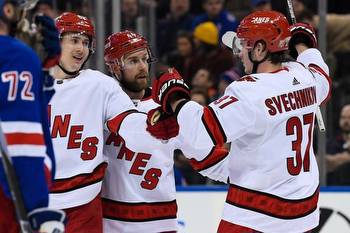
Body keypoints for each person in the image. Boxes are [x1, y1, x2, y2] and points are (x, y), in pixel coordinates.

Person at [147, 10, 331, 233]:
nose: (239, 53)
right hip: (303, 214)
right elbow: (322, 76)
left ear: (261, 49)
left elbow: (200, 131)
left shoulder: (249, 91)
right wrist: (303, 44)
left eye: (245, 45)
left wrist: (175, 96)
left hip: (255, 215)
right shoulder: (304, 77)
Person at [48, 12, 136, 233]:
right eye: (74, 41)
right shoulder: (31, 83)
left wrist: (157, 124)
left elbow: (131, 124)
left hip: (84, 201)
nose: (81, 49)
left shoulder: (100, 85)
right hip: (37, 199)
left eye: (85, 42)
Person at [102, 30, 179, 233]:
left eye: (145, 59)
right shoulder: (101, 105)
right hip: (111, 221)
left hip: (161, 221)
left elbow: (200, 148)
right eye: (133, 61)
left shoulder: (165, 106)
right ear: (114, 66)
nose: (143, 66)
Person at [0, 0, 65, 232]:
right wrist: (38, 207)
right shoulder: (17, 56)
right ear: (7, 10)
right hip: (7, 199)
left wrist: (44, 74)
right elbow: (23, 142)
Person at [326, 104, 350, 185]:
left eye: (349, 117)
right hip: (334, 190)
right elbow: (324, 163)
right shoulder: (332, 141)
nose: (346, 121)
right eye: (343, 117)